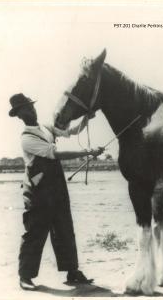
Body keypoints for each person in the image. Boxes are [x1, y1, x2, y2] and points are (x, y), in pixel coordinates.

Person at [9, 93, 104, 291]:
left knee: (65, 228)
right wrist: (88, 151)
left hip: (56, 186)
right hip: (37, 189)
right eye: (26, 109)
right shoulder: (26, 139)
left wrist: (87, 117)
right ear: (19, 115)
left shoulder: (45, 127)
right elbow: (55, 154)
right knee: (35, 231)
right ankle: (25, 276)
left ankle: (72, 272)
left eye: (31, 106)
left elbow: (72, 131)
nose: (31, 110)